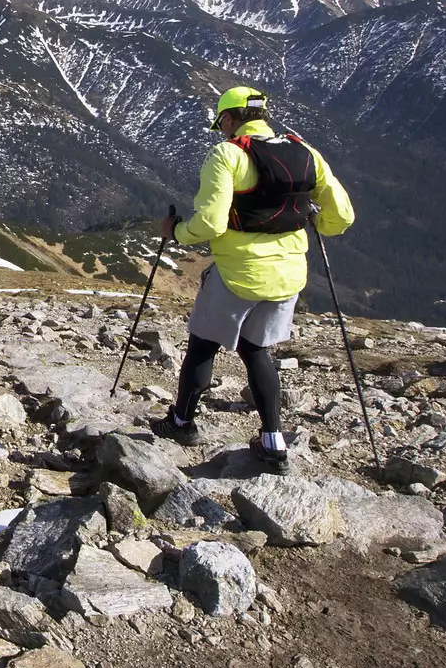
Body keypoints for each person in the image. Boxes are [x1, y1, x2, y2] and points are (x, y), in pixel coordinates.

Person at [150, 86, 355, 473]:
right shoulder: (305, 152)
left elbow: (210, 222)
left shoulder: (228, 154)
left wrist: (175, 231)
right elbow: (341, 216)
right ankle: (272, 441)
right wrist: (317, 221)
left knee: (203, 345)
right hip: (289, 275)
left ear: (228, 119)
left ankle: (182, 422)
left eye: (221, 123)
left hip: (237, 273)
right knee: (256, 350)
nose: (221, 130)